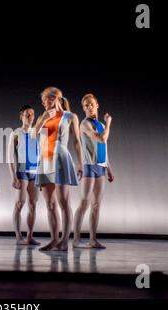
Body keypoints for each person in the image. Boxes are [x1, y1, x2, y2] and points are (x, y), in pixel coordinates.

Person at [32, 87, 84, 251]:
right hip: (45, 159)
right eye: (42, 101)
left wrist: (81, 163)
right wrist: (42, 120)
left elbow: (76, 141)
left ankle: (64, 241)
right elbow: (32, 135)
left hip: (60, 158)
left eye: (46, 99)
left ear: (55, 98)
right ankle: (54, 239)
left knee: (63, 202)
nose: (43, 103)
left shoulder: (70, 116)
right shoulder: (43, 116)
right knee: (50, 204)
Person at [73, 93, 114, 249]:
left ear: (97, 105)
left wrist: (109, 168)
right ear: (84, 109)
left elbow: (104, 147)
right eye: (86, 105)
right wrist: (109, 123)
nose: (89, 107)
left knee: (96, 205)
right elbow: (102, 139)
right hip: (89, 167)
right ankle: (76, 240)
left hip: (100, 168)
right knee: (84, 203)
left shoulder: (100, 125)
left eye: (91, 104)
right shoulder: (85, 125)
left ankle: (93, 239)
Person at [8, 105, 40, 245]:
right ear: (21, 117)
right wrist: (13, 176)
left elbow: (41, 155)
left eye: (32, 114)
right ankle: (18, 236)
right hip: (21, 172)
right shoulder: (16, 133)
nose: (30, 117)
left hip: (35, 172)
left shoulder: (37, 132)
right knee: (20, 203)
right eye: (27, 114)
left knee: (33, 205)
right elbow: (10, 157)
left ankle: (30, 236)